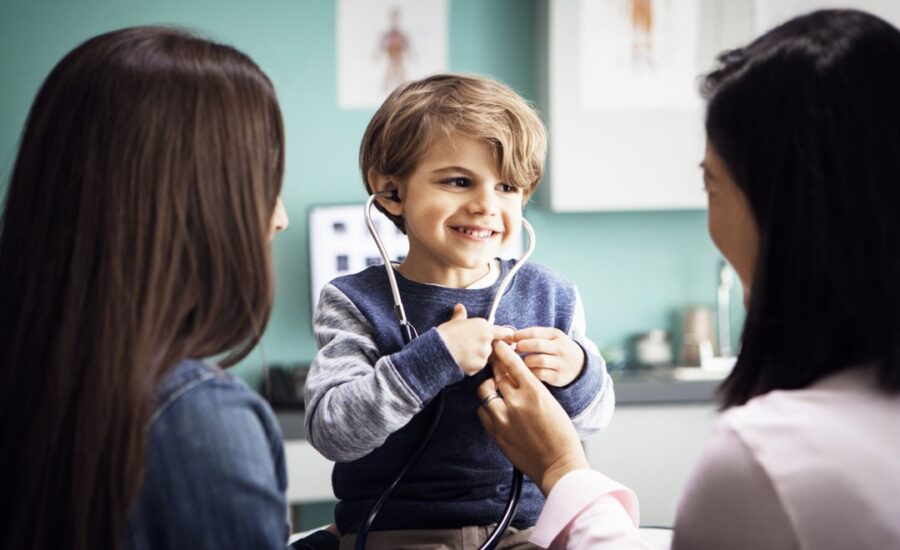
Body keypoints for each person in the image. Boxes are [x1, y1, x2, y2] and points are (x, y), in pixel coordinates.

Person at [478, 8, 900, 550]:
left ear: (784, 211)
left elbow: (594, 402)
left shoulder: (767, 461)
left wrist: (561, 462)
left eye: (712, 184)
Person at [0, 27, 296, 550]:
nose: (280, 217)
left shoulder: (38, 373)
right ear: (191, 207)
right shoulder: (198, 420)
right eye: (262, 185)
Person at [304, 74, 616, 548]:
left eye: (508, 187)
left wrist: (576, 373)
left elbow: (594, 417)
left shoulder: (551, 294)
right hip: (393, 535)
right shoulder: (353, 302)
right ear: (390, 192)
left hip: (522, 533)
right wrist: (432, 360)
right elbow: (333, 432)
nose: (486, 205)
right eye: (458, 181)